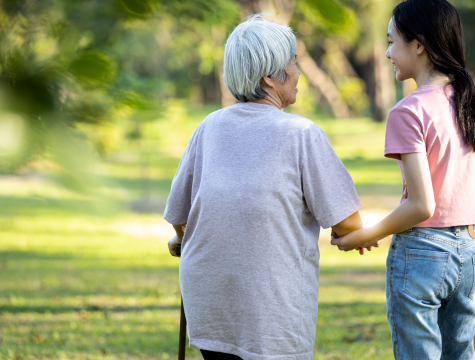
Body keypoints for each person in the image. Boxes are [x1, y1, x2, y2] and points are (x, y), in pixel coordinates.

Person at [165, 14, 367, 360]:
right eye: (293, 63)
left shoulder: (209, 126)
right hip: (271, 315)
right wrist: (358, 235)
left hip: (211, 306)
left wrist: (184, 238)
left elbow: (178, 217)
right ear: (269, 78)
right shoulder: (302, 134)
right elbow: (348, 224)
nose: (298, 72)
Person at [331, 0, 475, 358]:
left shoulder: (409, 110)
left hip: (422, 254)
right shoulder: (468, 102)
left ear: (419, 45)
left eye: (392, 41)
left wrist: (365, 234)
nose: (387, 52)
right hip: (468, 252)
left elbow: (422, 205)